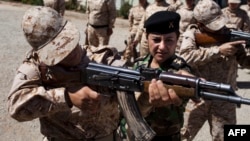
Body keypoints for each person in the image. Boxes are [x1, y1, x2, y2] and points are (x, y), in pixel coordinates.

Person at [7, 6, 181, 141]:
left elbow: (131, 83)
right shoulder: (36, 66)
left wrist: (152, 93)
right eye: (58, 51)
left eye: (68, 43)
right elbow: (16, 108)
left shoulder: (102, 58)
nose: (69, 53)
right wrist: (66, 96)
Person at [179, 0, 250, 140]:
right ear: (200, 24)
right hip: (197, 97)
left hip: (224, 98)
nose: (219, 28)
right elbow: (185, 57)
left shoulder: (232, 32)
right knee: (181, 136)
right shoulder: (192, 34)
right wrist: (218, 50)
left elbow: (245, 61)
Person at [120, 11, 194, 141]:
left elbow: (183, 99)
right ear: (146, 38)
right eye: (156, 40)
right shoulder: (139, 64)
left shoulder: (181, 70)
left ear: (177, 39)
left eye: (169, 40)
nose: (162, 47)